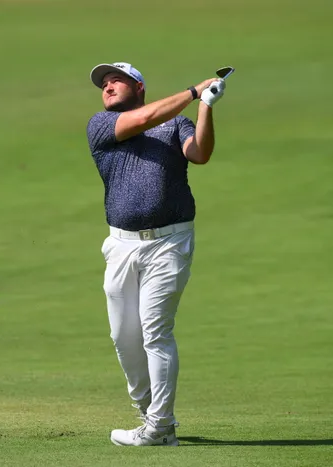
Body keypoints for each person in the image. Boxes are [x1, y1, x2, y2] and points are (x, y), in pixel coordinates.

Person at [86, 62, 226, 446]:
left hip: (169, 242)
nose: (108, 87)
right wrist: (194, 92)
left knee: (155, 330)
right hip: (121, 245)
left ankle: (160, 426)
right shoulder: (101, 125)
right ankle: (149, 412)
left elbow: (200, 153)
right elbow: (146, 118)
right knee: (123, 336)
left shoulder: (175, 124)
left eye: (117, 80)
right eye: (104, 83)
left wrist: (206, 105)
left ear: (139, 87)